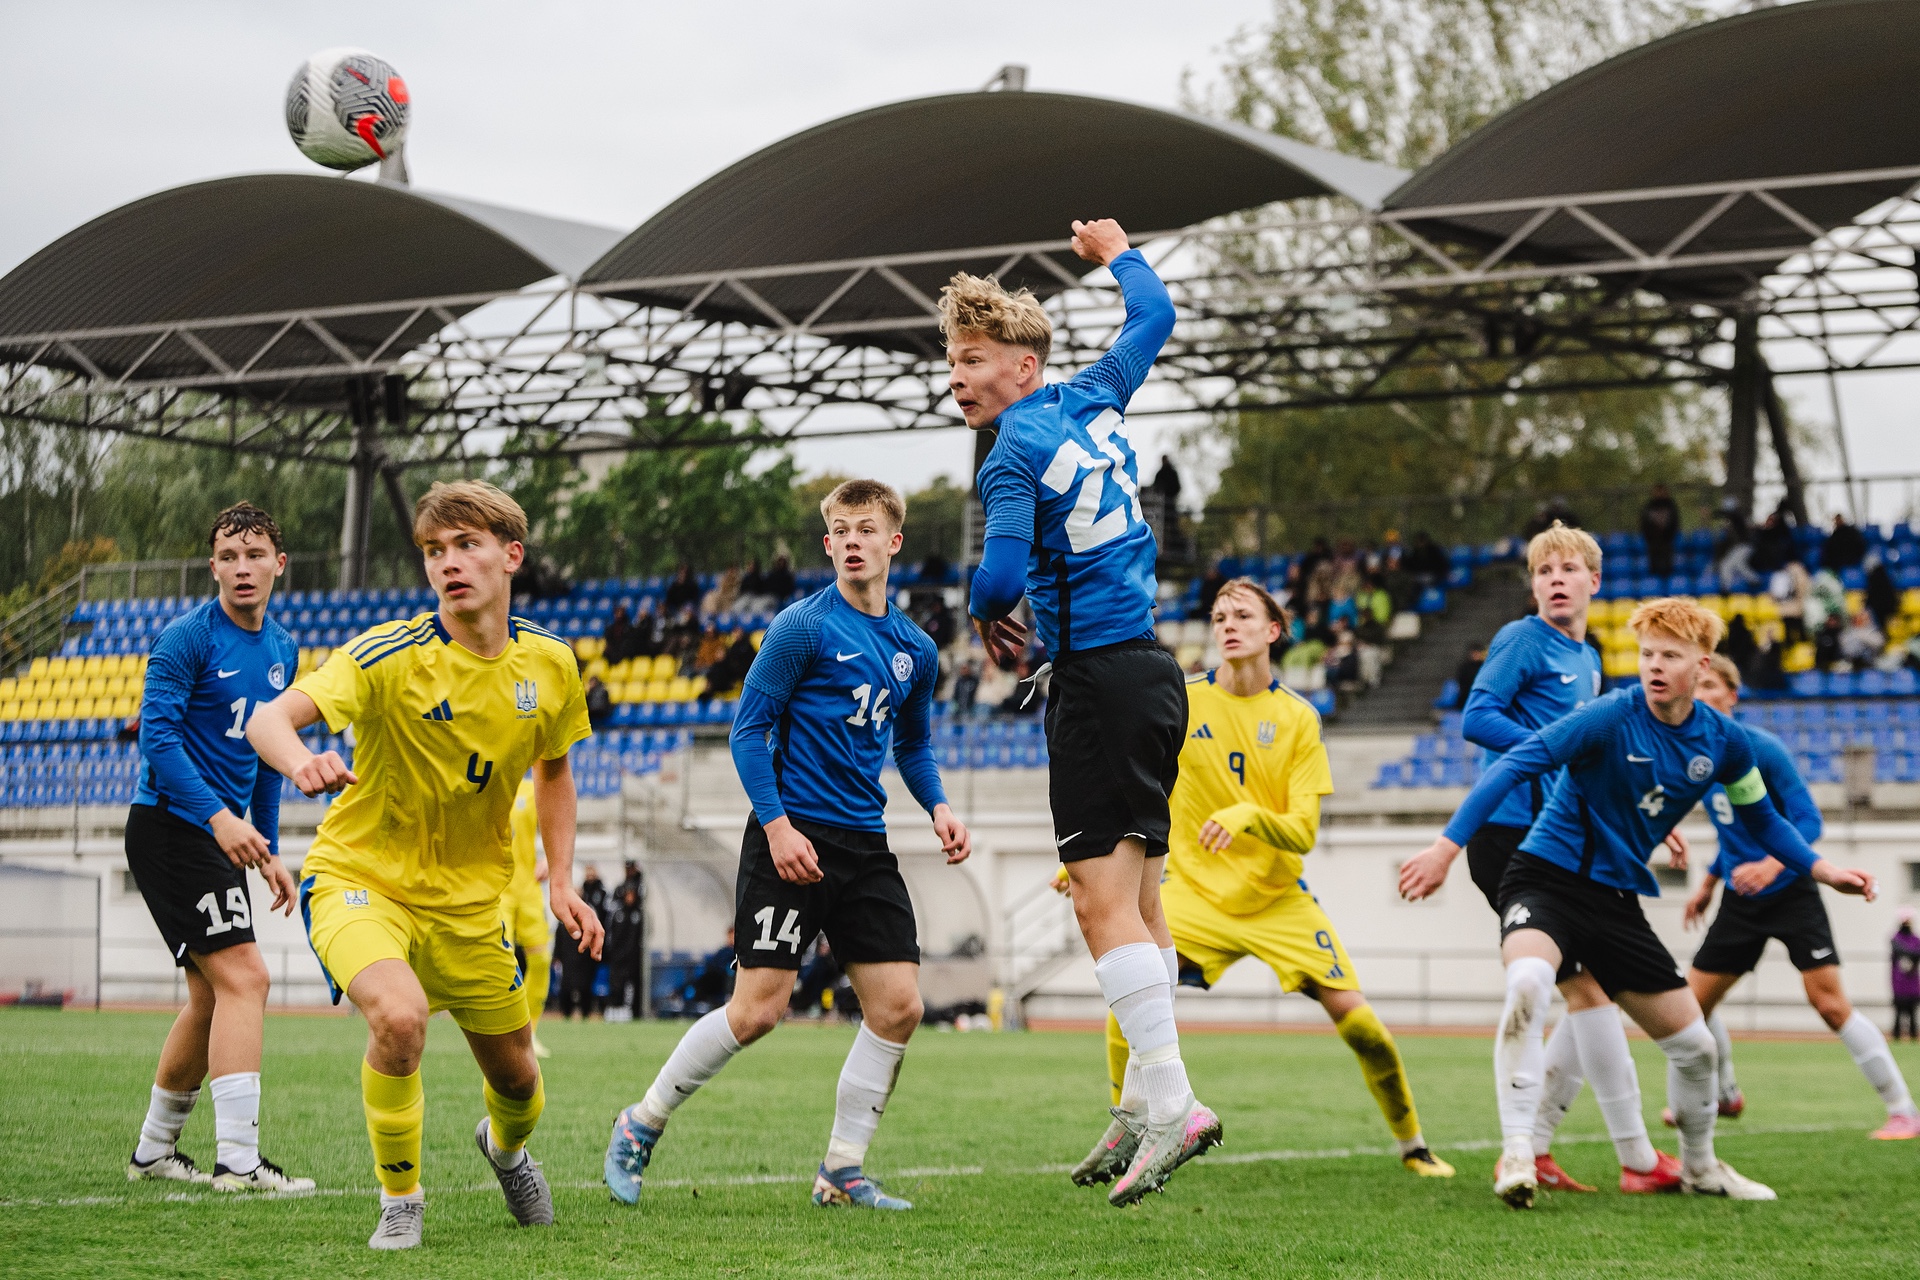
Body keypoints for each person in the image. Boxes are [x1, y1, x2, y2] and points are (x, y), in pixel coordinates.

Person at [1400, 597, 1878, 1206]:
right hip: (1545, 879)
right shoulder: (1608, 715)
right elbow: (1517, 763)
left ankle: (1700, 1167)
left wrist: (1825, 869)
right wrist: (1444, 848)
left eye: (1670, 656)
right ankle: (1517, 1152)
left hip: (1615, 904)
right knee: (1528, 980)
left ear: (1701, 666)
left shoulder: (1727, 744)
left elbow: (1764, 820)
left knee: (1696, 1047)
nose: (1653, 665)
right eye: (1647, 654)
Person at [246, 480, 603, 1251]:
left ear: (511, 555)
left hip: (470, 908)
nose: (449, 563)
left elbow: (555, 772)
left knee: (519, 1081)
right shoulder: (387, 654)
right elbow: (268, 718)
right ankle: (401, 1198)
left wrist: (563, 880)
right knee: (400, 1018)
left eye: (467, 545)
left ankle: (506, 1151)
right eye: (435, 550)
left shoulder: (551, 664)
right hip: (360, 880)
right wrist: (301, 760)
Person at [603, 478, 969, 1213]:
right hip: (791, 833)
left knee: (899, 1006)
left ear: (894, 542)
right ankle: (641, 1123)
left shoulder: (917, 649)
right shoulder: (801, 627)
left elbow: (913, 745)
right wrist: (777, 828)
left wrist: (938, 806)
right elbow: (748, 733)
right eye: (841, 530)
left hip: (865, 844)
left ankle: (842, 1170)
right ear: (828, 545)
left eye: (867, 529)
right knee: (757, 1012)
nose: (853, 541)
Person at [950, 217, 1216, 1207]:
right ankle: (1142, 1099)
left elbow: (999, 580)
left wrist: (982, 612)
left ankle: (1175, 1103)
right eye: (953, 361)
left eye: (972, 360)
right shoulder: (1094, 391)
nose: (957, 379)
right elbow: (1155, 314)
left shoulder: (1009, 452)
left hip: (1097, 682)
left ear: (1022, 366)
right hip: (1154, 669)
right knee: (1140, 905)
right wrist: (1118, 252)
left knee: (1100, 904)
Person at [1069, 578, 1453, 1187]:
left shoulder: (1298, 718)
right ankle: (1135, 1129)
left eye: (1243, 615)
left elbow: (1303, 831)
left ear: (1273, 631)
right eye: (1219, 616)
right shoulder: (1184, 698)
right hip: (1194, 893)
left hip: (1278, 900)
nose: (1228, 624)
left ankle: (1414, 1145)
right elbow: (1142, 785)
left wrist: (1246, 816)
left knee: (1363, 1027)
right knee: (1130, 1003)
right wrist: (1100, 858)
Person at [1413, 522, 1658, 1195]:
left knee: (1591, 991)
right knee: (1586, 991)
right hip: (1510, 836)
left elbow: (1591, 756)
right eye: (1544, 571)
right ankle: (1598, 1154)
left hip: (1558, 837)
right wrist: (1553, 742)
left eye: (1568, 569)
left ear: (1593, 581)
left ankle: (1544, 1147)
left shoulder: (1590, 659)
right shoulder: (1523, 639)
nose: (1555, 580)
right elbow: (1477, 717)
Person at [123, 502, 312, 1194]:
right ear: (213, 567)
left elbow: (267, 757)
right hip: (172, 827)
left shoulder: (283, 649)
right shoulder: (185, 638)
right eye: (229, 557)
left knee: (211, 998)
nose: (242, 568)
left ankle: (154, 1152)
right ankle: (239, 1161)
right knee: (247, 979)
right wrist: (218, 819)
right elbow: (157, 741)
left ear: (278, 565)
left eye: (255, 555)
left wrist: (269, 849)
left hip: (218, 836)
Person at [1674, 656, 1918, 1140]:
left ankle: (1903, 1110)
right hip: (1741, 899)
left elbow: (1808, 821)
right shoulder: (1696, 757)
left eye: (1710, 685)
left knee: (1829, 1005)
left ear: (1732, 695)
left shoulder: (1763, 749)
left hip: (1791, 892)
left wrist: (1771, 865)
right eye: (1695, 686)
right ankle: (1725, 1095)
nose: (1700, 695)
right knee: (1688, 1007)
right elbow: (1732, 833)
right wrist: (1708, 884)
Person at [506, 775, 553, 1059]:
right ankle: (504, 1032)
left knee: (541, 960)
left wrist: (551, 858)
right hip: (497, 889)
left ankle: (530, 1032)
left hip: (528, 888)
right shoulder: (485, 778)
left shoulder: (530, 790)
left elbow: (555, 819)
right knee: (502, 960)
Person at [603, 885, 645, 1019]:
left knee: (631, 985)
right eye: (628, 895)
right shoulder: (618, 914)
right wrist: (612, 953)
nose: (630, 898)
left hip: (633, 958)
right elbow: (612, 936)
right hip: (617, 957)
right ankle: (614, 1009)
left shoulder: (638, 914)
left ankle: (630, 1011)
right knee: (616, 984)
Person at [1641, 484, 1682, 577]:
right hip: (1652, 541)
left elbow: (1675, 522)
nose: (1659, 494)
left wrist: (1670, 536)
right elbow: (1644, 523)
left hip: (1667, 540)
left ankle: (1667, 582)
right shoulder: (1649, 506)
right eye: (1657, 491)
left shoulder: (1671, 506)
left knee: (1667, 566)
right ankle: (1654, 582)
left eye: (1662, 491)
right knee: (1653, 566)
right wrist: (1649, 537)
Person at [1893, 911, 1919, 1041]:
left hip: (1912, 982)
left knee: (1913, 1012)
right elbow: (1898, 949)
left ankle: (1913, 1035)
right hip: (1899, 982)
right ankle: (1897, 1036)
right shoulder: (1895, 939)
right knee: (1898, 1012)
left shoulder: (1915, 939)